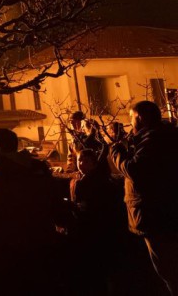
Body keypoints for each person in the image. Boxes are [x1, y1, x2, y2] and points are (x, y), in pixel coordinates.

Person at [110, 100, 178, 295]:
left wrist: (117, 151)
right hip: (163, 212)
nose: (130, 123)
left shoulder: (155, 140)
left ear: (139, 117)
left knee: (168, 269)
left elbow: (135, 169)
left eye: (131, 118)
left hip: (156, 215)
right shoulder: (163, 136)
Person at [0, 128, 57, 295]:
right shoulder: (38, 167)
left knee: (14, 281)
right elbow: (51, 196)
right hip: (40, 233)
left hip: (11, 237)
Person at [67, 149, 126, 294]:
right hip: (91, 228)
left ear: (94, 164)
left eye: (86, 161)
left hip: (95, 229)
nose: (81, 164)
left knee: (97, 267)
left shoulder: (96, 182)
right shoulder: (82, 179)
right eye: (80, 160)